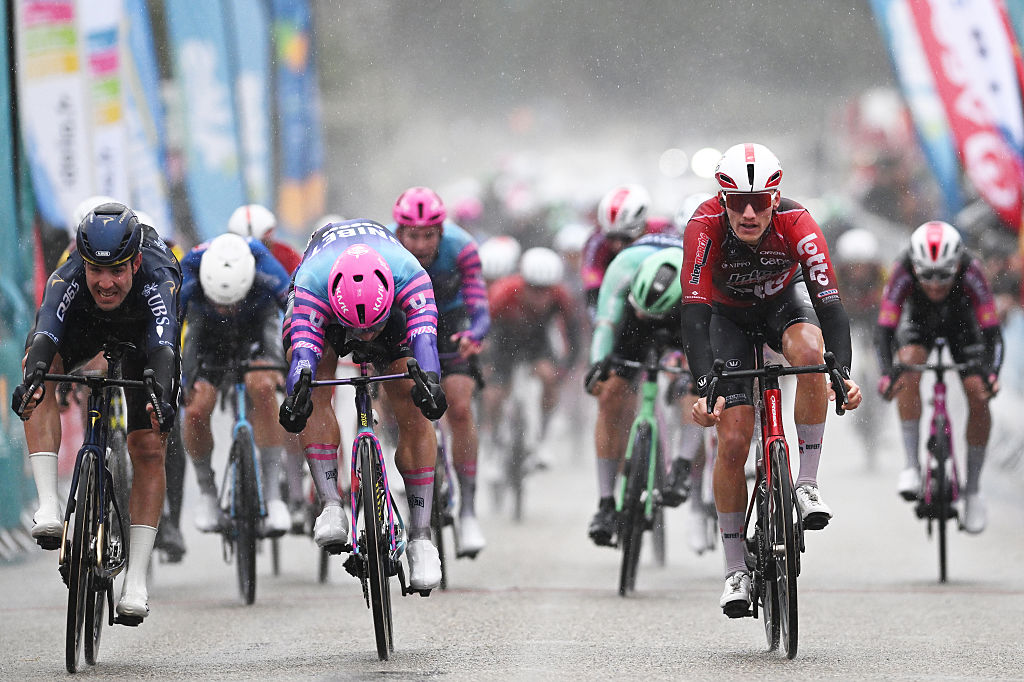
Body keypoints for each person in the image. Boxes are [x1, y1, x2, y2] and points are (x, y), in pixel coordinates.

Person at [681, 143, 862, 618]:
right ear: (721, 199)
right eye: (736, 199)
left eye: (759, 201)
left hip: (784, 306)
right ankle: (736, 569)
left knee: (809, 353)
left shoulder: (798, 222)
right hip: (727, 321)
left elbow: (830, 305)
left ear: (775, 198)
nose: (747, 211)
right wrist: (705, 388)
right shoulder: (703, 226)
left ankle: (805, 483)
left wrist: (840, 374)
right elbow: (695, 317)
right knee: (734, 439)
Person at [12, 202, 181, 621]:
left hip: (144, 335)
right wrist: (35, 373)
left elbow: (163, 346)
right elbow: (48, 328)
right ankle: (50, 505)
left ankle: (136, 581)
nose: (105, 282)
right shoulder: (69, 273)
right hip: (88, 327)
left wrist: (160, 395)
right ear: (83, 262)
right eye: (95, 271)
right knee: (36, 372)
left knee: (148, 445)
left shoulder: (160, 275)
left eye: (117, 271)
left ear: (136, 261)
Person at [277, 219, 448, 592]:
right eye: (362, 331)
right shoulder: (311, 282)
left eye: (372, 329)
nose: (366, 337)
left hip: (392, 314)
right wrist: (298, 392)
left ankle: (421, 539)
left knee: (414, 403)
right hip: (328, 313)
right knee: (312, 384)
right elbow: (302, 358)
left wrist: (430, 384)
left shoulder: (410, 274)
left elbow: (426, 345)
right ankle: (330, 505)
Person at [874, 220, 1001, 533]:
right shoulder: (902, 267)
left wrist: (992, 374)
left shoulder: (972, 270)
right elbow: (885, 330)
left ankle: (972, 490)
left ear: (957, 264)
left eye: (943, 275)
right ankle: (911, 466)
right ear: (915, 266)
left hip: (964, 326)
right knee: (907, 367)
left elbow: (992, 332)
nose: (934, 285)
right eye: (926, 276)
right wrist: (886, 374)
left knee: (977, 391)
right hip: (920, 323)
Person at [390, 186, 490, 558]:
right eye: (412, 235)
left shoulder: (462, 247)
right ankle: (395, 446)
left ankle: (467, 510)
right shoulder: (386, 247)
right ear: (400, 232)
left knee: (460, 407)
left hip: (450, 322)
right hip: (402, 320)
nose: (419, 244)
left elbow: (479, 304)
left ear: (441, 232)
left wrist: (474, 335)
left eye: (428, 235)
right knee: (397, 395)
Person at [584, 242, 703, 546]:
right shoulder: (623, 269)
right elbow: (606, 324)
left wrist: (693, 373)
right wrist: (599, 363)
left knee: (694, 387)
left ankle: (682, 466)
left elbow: (706, 345)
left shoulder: (699, 279)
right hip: (632, 323)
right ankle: (606, 503)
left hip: (683, 323)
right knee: (610, 395)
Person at [179, 232, 293, 536]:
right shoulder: (188, 268)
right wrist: (179, 378)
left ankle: (272, 494)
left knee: (264, 386)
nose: (227, 309)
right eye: (221, 303)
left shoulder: (264, 264)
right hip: (207, 333)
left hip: (257, 326)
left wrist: (293, 364)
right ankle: (207, 493)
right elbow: (167, 325)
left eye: (232, 303)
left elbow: (295, 310)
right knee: (194, 407)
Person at [483, 247, 582, 461]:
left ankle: (542, 441)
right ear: (524, 283)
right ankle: (494, 440)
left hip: (537, 342)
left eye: (545, 290)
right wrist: (484, 360)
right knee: (495, 394)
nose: (540, 296)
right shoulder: (504, 292)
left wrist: (566, 367)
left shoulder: (561, 295)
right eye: (534, 289)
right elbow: (484, 328)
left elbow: (573, 332)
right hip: (505, 341)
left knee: (548, 377)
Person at [581, 184, 653, 317]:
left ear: (644, 228)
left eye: (625, 239)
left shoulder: (663, 230)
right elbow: (593, 292)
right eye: (611, 237)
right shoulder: (596, 242)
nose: (617, 245)